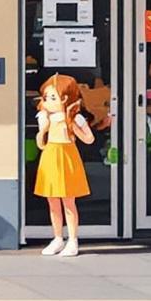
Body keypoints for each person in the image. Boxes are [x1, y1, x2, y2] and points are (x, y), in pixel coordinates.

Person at [31, 73, 96, 255]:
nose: (47, 102)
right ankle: (58, 238)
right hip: (50, 155)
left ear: (65, 98)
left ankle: (73, 240)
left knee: (69, 201)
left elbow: (89, 139)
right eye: (46, 97)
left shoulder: (75, 117)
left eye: (52, 97)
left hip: (67, 155)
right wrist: (43, 130)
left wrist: (73, 127)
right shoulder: (45, 117)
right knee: (52, 200)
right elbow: (40, 143)